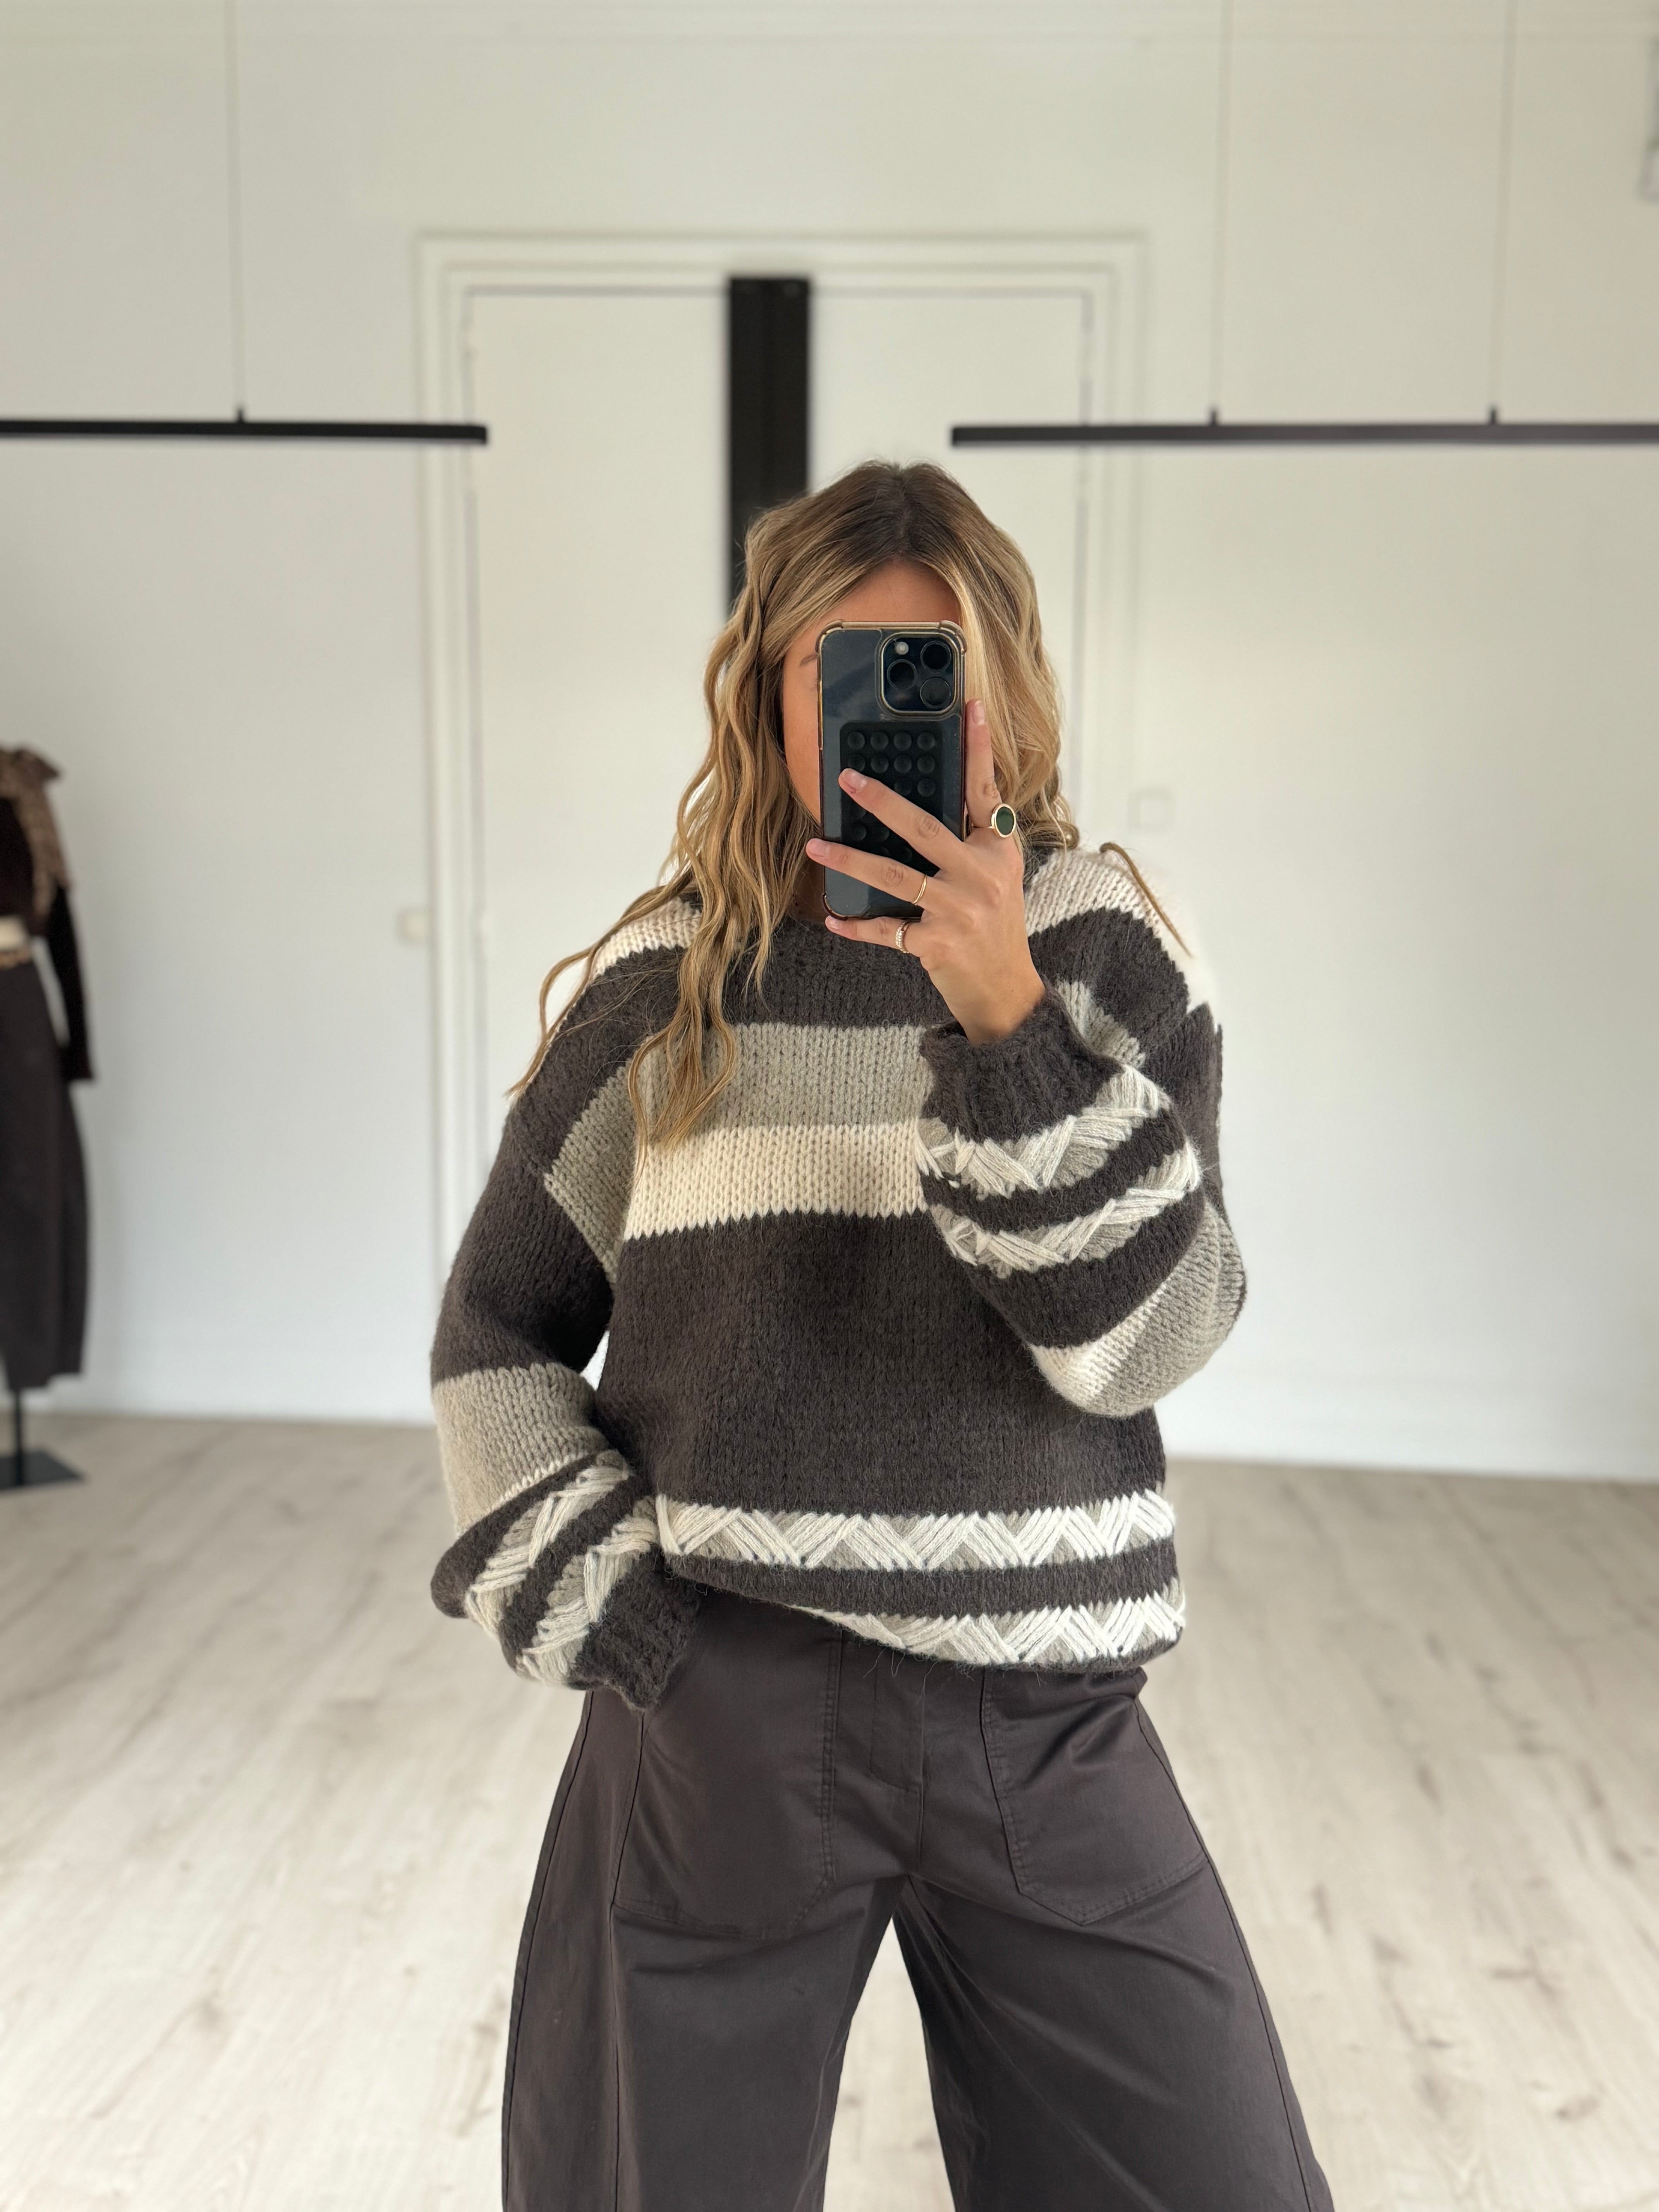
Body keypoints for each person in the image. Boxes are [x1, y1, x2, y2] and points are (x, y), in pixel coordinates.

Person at [428, 459, 1334, 2212]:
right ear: (769, 692)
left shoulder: (1102, 951)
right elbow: (495, 1334)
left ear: (1000, 694)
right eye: (843, 670)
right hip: (725, 1703)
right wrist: (639, 1637)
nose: (889, 715)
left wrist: (1004, 1021)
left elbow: (1146, 1343)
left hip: (1040, 1707)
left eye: (936, 672)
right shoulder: (668, 979)